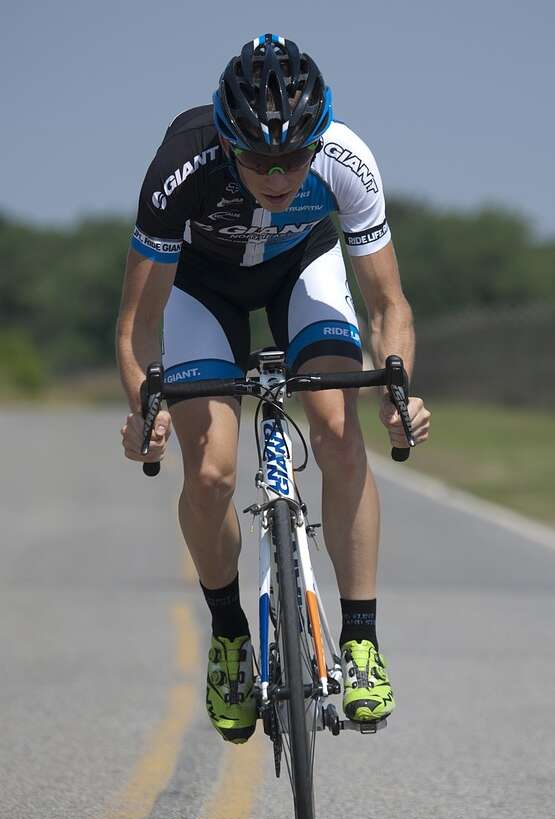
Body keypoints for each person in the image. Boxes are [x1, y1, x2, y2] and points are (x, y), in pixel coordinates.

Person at [118, 33, 431, 744]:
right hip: (204, 283)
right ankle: (229, 634)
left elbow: (387, 308)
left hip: (301, 268)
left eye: (294, 157)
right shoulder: (181, 164)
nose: (278, 174)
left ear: (317, 141)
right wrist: (142, 406)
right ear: (226, 143)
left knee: (338, 430)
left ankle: (359, 641)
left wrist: (397, 389)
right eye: (258, 159)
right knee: (210, 471)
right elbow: (136, 327)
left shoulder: (347, 159)